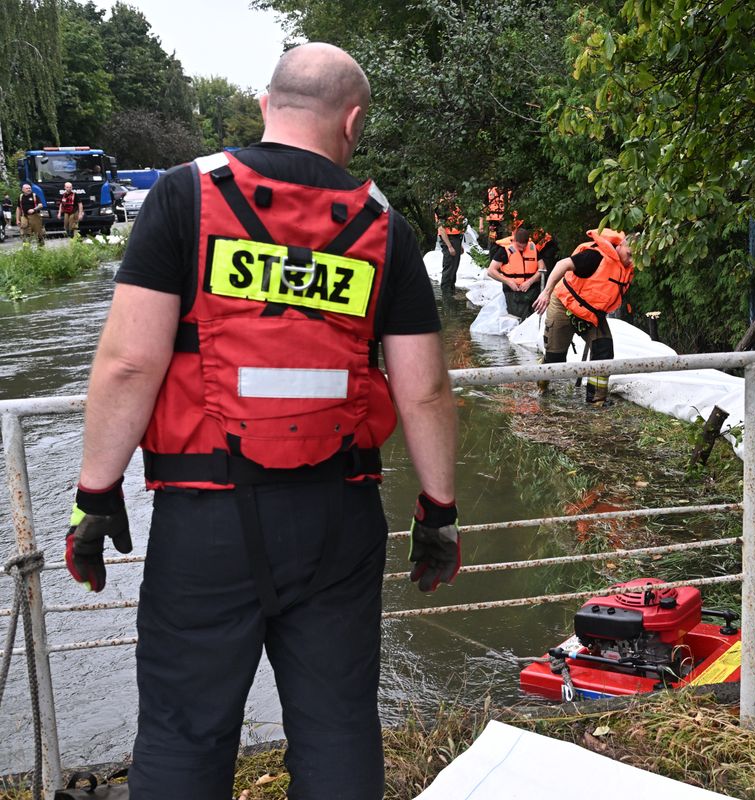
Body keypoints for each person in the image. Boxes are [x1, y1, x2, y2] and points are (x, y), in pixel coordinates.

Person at [64, 43, 460, 799]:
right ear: (352, 121)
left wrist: (95, 495)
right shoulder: (384, 229)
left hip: (204, 518)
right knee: (339, 725)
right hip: (338, 518)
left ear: (263, 105)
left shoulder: (183, 198)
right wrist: (437, 511)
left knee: (185, 730)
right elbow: (426, 392)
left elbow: (128, 365)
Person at [532, 228, 634, 405]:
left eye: (635, 258)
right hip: (565, 303)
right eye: (629, 254)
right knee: (556, 360)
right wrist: (546, 292)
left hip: (591, 314)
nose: (631, 261)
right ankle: (543, 376)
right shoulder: (595, 257)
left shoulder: (626, 268)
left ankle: (596, 399)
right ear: (621, 246)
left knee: (604, 349)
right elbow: (562, 264)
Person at [486, 226, 541, 320]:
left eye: (524, 247)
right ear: (514, 241)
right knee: (516, 317)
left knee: (533, 317)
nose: (522, 249)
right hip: (513, 290)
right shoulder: (504, 250)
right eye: (519, 246)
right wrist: (508, 282)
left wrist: (530, 282)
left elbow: (542, 269)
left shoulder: (533, 248)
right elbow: (491, 271)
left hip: (532, 289)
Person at [434, 190, 465, 292]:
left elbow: (457, 226)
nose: (453, 196)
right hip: (449, 239)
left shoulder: (454, 206)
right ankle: (446, 294)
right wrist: (449, 246)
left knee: (454, 267)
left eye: (454, 194)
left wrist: (459, 245)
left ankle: (451, 290)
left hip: (456, 239)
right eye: (451, 194)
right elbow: (441, 229)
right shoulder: (442, 208)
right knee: (449, 268)